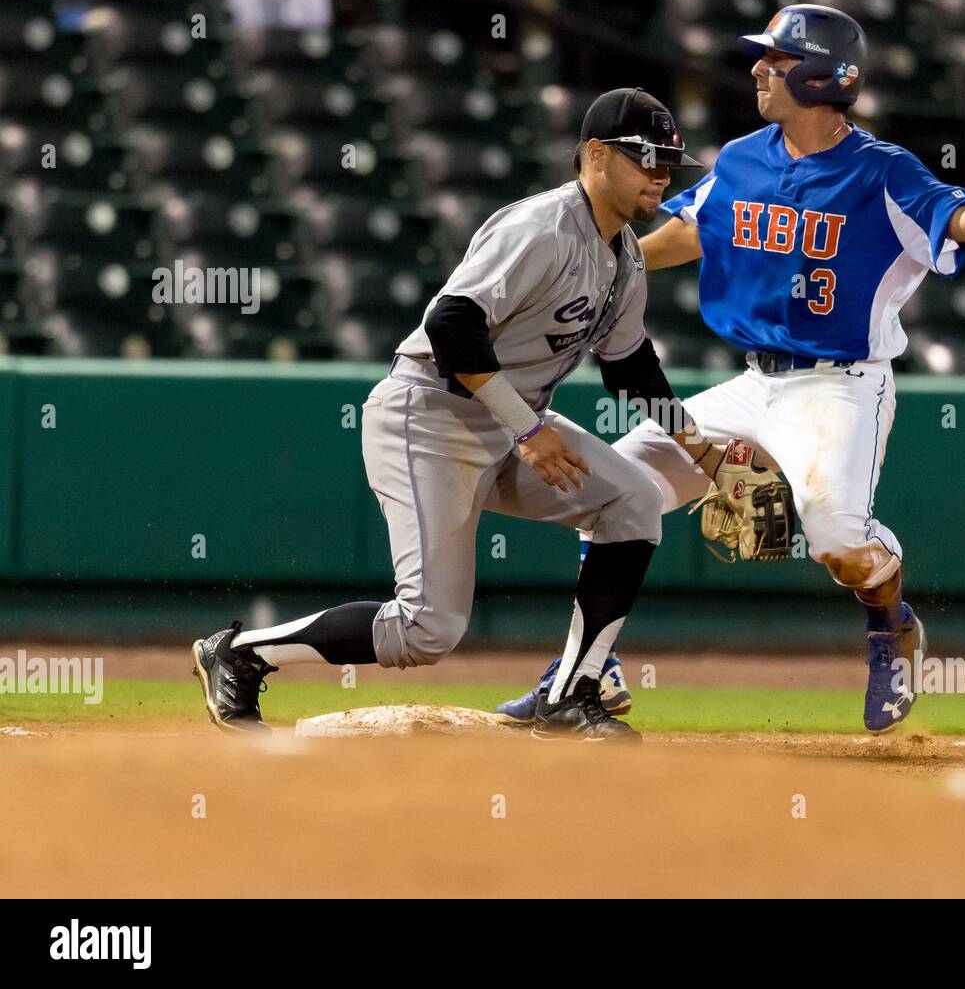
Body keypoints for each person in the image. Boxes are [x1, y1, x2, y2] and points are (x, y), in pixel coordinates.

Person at [499, 5, 965, 733]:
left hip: (839, 384)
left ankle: (893, 628)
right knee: (612, 495)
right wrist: (588, 266)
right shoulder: (744, 157)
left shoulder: (882, 172)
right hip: (755, 381)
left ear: (822, 77)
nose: (758, 69)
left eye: (776, 61)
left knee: (838, 544)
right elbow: (686, 233)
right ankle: (583, 670)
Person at [193, 87, 752, 742]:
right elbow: (452, 324)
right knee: (427, 629)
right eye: (645, 158)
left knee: (631, 498)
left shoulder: (627, 257)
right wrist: (530, 430)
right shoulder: (541, 229)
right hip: (429, 414)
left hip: (514, 425)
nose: (660, 174)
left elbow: (630, 367)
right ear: (596, 155)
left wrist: (706, 456)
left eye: (668, 164)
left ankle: (571, 695)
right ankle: (240, 655)